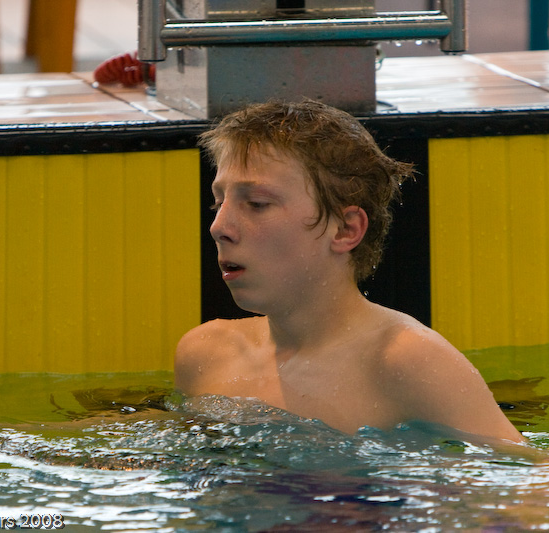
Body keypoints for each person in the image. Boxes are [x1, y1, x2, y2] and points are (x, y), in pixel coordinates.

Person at [175, 99, 524, 444]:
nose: (219, 227)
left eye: (257, 204)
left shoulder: (408, 362)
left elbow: (530, 474)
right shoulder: (206, 355)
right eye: (218, 202)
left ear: (345, 229)